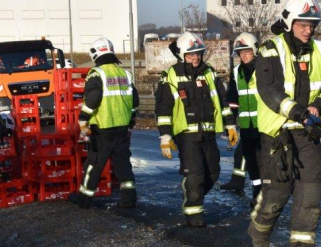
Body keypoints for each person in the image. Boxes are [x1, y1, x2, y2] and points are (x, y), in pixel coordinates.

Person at [247, 0, 321, 247]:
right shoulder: (269, 50)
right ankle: (259, 232)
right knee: (277, 193)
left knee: (310, 193)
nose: (308, 29)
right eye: (303, 23)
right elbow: (269, 91)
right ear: (289, 22)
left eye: (312, 24)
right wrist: (299, 112)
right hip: (277, 134)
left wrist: (318, 108)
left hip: (307, 134)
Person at [155, 32, 237, 227]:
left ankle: (193, 192)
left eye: (198, 53)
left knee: (213, 173)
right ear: (182, 55)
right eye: (191, 54)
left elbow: (223, 102)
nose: (196, 58)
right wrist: (165, 135)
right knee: (196, 174)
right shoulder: (171, 76)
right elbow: (163, 108)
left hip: (209, 133)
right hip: (186, 136)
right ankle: (194, 211)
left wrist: (231, 125)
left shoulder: (209, 73)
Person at [68, 37, 140, 210]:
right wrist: (130, 119)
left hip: (102, 128)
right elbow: (134, 101)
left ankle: (84, 199)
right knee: (123, 164)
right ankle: (129, 198)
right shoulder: (125, 74)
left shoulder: (96, 73)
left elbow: (93, 98)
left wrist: (83, 119)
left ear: (94, 54)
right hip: (122, 128)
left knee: (94, 164)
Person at [219, 32, 263, 207]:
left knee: (264, 160)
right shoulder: (237, 72)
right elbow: (232, 99)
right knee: (250, 160)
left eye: (247, 51)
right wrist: (230, 124)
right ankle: (257, 191)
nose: (243, 55)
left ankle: (266, 192)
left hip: (264, 124)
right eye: (240, 52)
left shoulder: (264, 69)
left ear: (254, 50)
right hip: (246, 125)